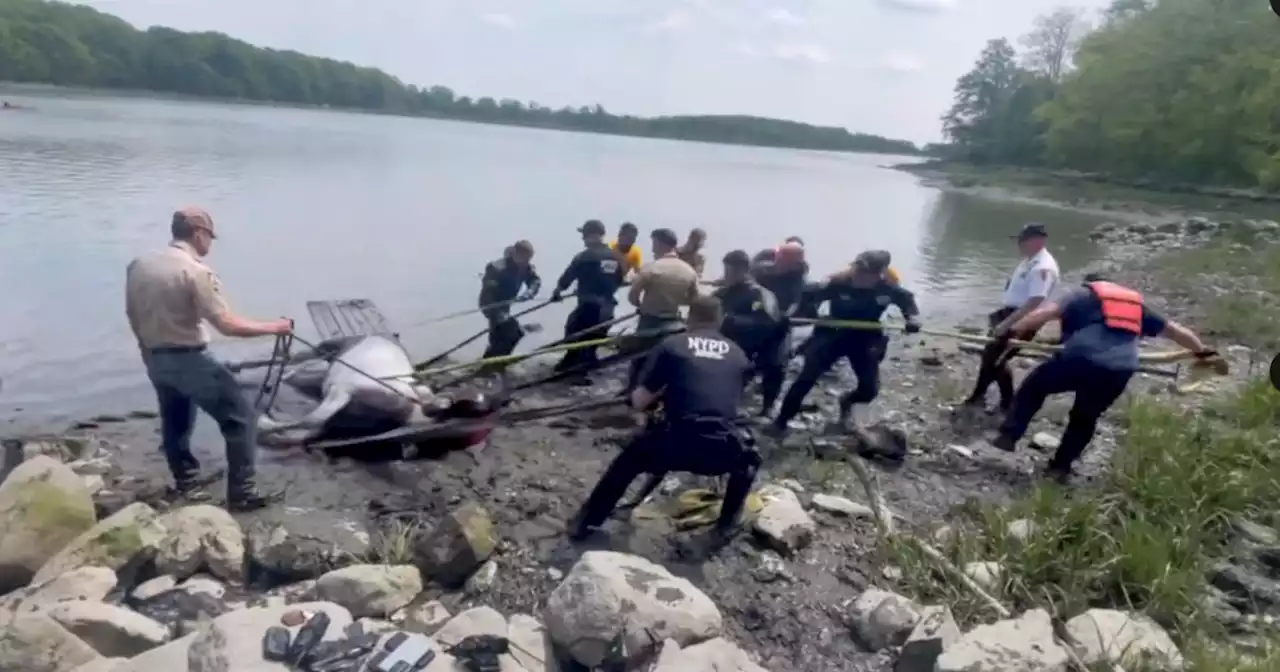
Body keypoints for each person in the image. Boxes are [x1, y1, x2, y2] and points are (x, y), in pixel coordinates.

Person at [125, 207, 293, 511]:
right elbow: (227, 325)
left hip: (154, 357)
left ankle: (186, 481)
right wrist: (276, 327)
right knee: (242, 420)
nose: (210, 244)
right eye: (209, 237)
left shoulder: (140, 264)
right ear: (199, 234)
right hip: (189, 359)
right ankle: (242, 493)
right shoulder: (196, 271)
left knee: (175, 422)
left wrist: (146, 352)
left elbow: (132, 314)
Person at [989, 273, 1216, 483]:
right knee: (1085, 417)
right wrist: (1202, 351)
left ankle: (1009, 436)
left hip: (1080, 360)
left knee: (1034, 387)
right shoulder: (1135, 306)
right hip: (1119, 370)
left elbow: (1042, 314)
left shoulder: (1080, 295)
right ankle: (1059, 468)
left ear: (1091, 285)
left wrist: (1009, 332)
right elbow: (1177, 331)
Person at [567, 295, 759, 544]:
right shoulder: (738, 354)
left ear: (689, 318)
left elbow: (640, 401)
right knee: (749, 460)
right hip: (721, 451)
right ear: (720, 320)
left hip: (675, 446)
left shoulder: (673, 345)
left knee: (627, 462)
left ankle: (587, 523)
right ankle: (726, 525)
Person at [766, 250, 921, 437]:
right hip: (832, 334)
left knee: (869, 390)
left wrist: (911, 319)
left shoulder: (887, 289)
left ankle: (846, 402)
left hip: (865, 337)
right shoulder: (837, 283)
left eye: (866, 273)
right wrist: (801, 313)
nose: (859, 276)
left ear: (879, 274)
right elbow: (808, 293)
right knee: (806, 378)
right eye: (858, 270)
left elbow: (908, 302)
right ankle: (781, 422)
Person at [963, 223, 1060, 412]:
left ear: (1038, 241)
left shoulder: (1043, 267)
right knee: (991, 355)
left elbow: (1036, 300)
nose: (1019, 245)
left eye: (1023, 241)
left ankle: (1004, 402)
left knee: (997, 359)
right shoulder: (1029, 260)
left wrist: (1008, 323)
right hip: (1010, 313)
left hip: (1024, 320)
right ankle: (982, 396)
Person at [623, 228, 700, 393]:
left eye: (654, 244)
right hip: (674, 323)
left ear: (660, 244)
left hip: (650, 321)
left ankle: (632, 391)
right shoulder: (689, 271)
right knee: (663, 360)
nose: (652, 249)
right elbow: (694, 300)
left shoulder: (652, 268)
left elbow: (632, 296)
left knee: (639, 359)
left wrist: (641, 306)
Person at [551, 220, 627, 385]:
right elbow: (620, 280)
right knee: (592, 340)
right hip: (607, 309)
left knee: (573, 331)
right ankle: (577, 362)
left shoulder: (584, 257)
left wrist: (557, 292)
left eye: (584, 236)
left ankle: (579, 373)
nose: (583, 240)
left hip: (588, 308)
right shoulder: (617, 257)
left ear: (591, 235)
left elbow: (566, 279)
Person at [714, 251, 785, 411]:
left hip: (757, 346)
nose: (726, 276)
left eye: (730, 272)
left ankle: (767, 409)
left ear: (744, 270)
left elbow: (769, 321)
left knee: (774, 370)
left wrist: (731, 320)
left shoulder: (759, 294)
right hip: (730, 344)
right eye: (725, 271)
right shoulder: (724, 293)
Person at [747, 242, 809, 416]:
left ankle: (768, 406)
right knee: (742, 360)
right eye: (783, 259)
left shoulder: (796, 278)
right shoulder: (762, 271)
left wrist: (786, 315)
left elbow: (795, 301)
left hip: (779, 326)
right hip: (754, 323)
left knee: (776, 367)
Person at [477, 240, 541, 366]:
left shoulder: (525, 267)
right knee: (511, 331)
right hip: (491, 304)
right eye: (524, 258)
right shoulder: (497, 267)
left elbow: (535, 280)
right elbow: (487, 294)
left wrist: (530, 292)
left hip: (506, 306)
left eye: (529, 259)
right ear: (516, 254)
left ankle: (495, 362)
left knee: (503, 335)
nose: (527, 262)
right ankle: (491, 363)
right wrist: (497, 313)